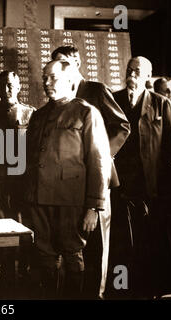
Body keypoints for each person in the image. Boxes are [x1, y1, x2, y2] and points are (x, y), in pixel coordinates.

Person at [23, 60, 111, 299]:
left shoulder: (86, 112)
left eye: (52, 77)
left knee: (73, 255)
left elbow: (99, 161)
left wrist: (94, 206)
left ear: (70, 79)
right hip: (38, 200)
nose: (46, 83)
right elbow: (30, 159)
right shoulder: (39, 116)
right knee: (44, 258)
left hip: (70, 201)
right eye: (45, 78)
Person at [52, 45, 130, 299]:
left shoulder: (95, 90)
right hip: (71, 184)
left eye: (64, 63)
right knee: (75, 243)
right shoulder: (59, 97)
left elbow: (122, 126)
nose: (59, 70)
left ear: (76, 63)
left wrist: (102, 157)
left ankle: (97, 293)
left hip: (98, 178)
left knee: (98, 242)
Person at [112, 56, 171, 298]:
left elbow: (169, 151)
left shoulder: (161, 104)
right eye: (129, 70)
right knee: (122, 245)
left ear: (148, 76)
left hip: (149, 189)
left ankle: (147, 290)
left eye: (138, 71)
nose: (132, 75)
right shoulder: (114, 100)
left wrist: (163, 190)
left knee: (148, 243)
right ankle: (121, 290)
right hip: (119, 187)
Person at [0, 71, 35, 221]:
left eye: (10, 85)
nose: (6, 90)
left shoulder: (31, 113)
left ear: (19, 87)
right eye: (2, 86)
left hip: (22, 177)